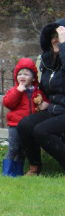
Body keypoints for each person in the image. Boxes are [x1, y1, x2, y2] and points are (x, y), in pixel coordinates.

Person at [16, 21, 65, 176]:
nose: (55, 40)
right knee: (25, 125)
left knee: (41, 131)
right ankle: (34, 167)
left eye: (59, 36)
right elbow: (45, 87)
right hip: (54, 109)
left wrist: (64, 46)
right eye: (53, 36)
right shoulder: (48, 61)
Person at [1, 57, 42, 176]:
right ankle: (7, 172)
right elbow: (8, 103)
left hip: (29, 128)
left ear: (33, 78)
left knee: (23, 151)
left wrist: (43, 103)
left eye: (26, 74)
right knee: (13, 148)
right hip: (15, 125)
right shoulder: (14, 90)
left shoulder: (37, 92)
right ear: (16, 77)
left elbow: (42, 102)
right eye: (20, 74)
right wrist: (18, 91)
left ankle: (19, 172)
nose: (22, 76)